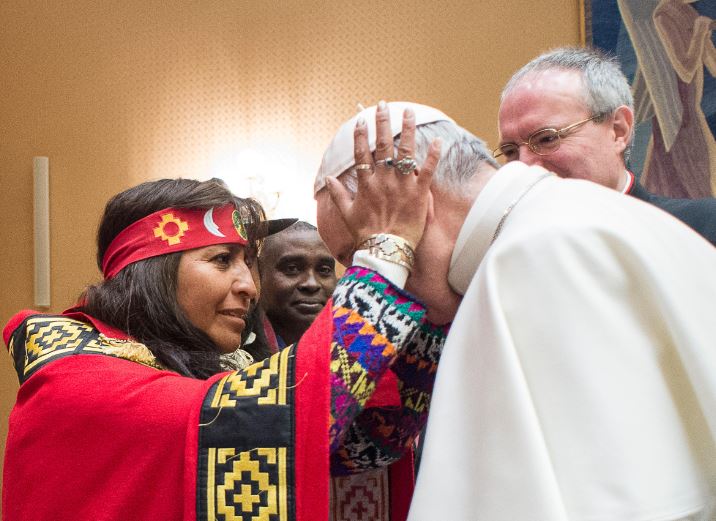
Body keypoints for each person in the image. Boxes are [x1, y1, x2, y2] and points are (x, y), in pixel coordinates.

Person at [315, 101, 716, 520]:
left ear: (410, 207)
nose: (378, 280)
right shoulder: (580, 214)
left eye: (360, 251)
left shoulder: (530, 256)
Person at [2, 175, 448, 520]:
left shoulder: (202, 371)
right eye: (222, 260)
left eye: (249, 264)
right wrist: (386, 255)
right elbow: (269, 415)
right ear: (153, 270)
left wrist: (433, 311)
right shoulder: (76, 379)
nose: (249, 286)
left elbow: (360, 447)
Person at [496, 46, 716, 246]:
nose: (524, 167)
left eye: (546, 139)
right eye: (510, 151)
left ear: (618, 130)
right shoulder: (512, 253)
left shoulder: (702, 228)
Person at [258, 220, 337, 350]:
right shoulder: (235, 351)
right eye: (292, 268)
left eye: (324, 270)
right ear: (259, 275)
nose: (312, 284)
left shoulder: (353, 348)